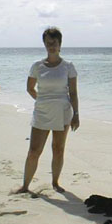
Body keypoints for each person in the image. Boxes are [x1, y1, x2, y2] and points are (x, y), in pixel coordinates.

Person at [15, 27, 79, 194]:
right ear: (44, 44)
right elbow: (29, 88)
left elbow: (73, 93)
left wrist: (76, 114)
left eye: (54, 43)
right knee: (34, 151)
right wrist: (41, 100)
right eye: (48, 43)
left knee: (58, 149)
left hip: (63, 112)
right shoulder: (37, 66)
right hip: (42, 112)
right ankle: (25, 186)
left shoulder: (68, 66)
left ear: (60, 44)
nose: (51, 46)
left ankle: (55, 183)